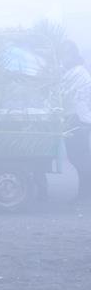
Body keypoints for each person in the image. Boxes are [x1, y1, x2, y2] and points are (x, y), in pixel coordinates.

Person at [61, 43, 91, 205]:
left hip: (79, 119)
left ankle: (85, 193)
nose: (63, 60)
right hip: (77, 118)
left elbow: (63, 91)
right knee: (77, 158)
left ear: (72, 55)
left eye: (65, 56)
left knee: (80, 158)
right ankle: (84, 192)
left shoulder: (77, 73)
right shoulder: (75, 71)